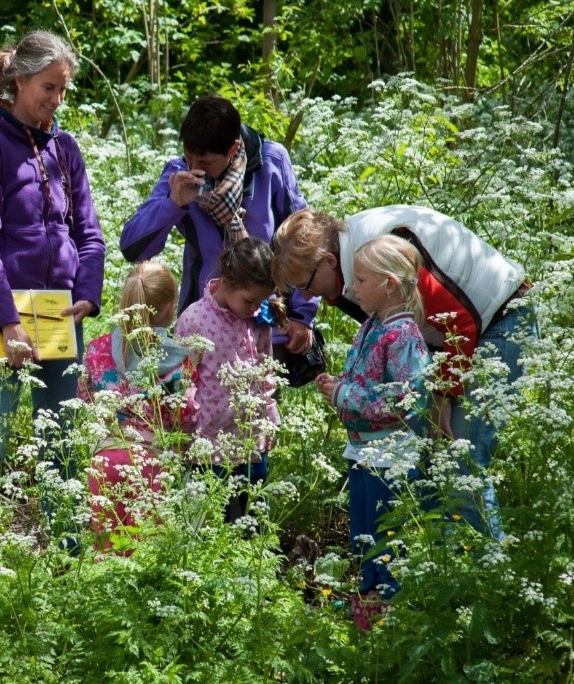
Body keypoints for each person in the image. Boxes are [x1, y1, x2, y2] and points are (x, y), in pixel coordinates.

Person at [0, 30, 106, 542]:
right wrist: (8, 323)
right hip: (2, 317)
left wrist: (87, 297)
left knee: (63, 448)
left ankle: (70, 562)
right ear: (19, 81)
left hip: (59, 316)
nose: (56, 100)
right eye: (48, 88)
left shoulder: (67, 149)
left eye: (63, 90)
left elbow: (89, 234)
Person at [272, 205, 533, 538]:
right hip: (450, 337)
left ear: (329, 261)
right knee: (428, 459)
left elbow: (459, 324)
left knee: (459, 459)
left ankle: (486, 573)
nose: (307, 296)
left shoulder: (380, 256)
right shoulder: (352, 273)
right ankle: (439, 567)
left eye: (305, 284)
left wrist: (442, 396)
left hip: (500, 320)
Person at [120, 95, 316, 356]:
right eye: (189, 158)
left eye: (206, 163)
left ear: (233, 149)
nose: (195, 169)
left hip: (265, 323)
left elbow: (304, 241)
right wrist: (173, 204)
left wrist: (303, 316)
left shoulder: (271, 163)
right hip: (202, 329)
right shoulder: (178, 174)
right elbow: (132, 248)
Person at [314, 235, 431, 627]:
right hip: (363, 450)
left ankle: (387, 611)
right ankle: (367, 602)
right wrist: (338, 386)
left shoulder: (405, 337)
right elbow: (365, 381)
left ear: (390, 285)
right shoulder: (373, 327)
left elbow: (407, 402)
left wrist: (345, 394)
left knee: (386, 534)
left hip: (391, 454)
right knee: (363, 532)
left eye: (361, 280)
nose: (351, 288)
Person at [79, 262, 195, 550]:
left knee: (107, 550)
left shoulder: (97, 349)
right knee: (146, 555)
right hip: (151, 461)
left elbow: (84, 398)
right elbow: (186, 415)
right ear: (171, 309)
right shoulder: (180, 359)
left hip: (104, 461)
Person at [174, 238, 283, 523]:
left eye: (260, 301)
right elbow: (183, 380)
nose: (254, 308)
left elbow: (265, 372)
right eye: (249, 300)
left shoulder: (258, 320)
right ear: (225, 281)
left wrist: (270, 416)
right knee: (211, 523)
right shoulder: (195, 320)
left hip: (251, 443)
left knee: (250, 521)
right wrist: (184, 434)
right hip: (210, 447)